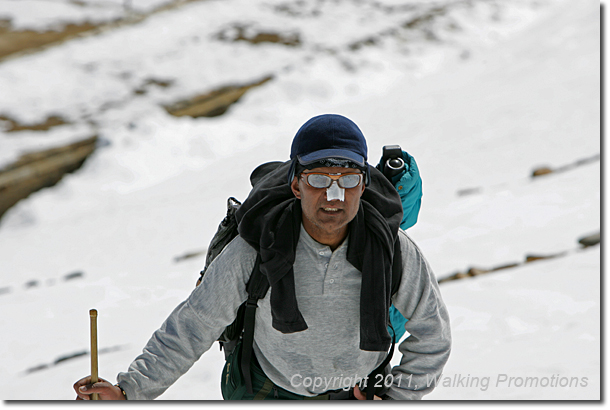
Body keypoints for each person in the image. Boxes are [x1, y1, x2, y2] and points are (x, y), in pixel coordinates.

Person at [73, 114, 451, 400]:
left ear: (364, 184)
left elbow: (432, 336)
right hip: (269, 392)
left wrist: (394, 398)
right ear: (296, 183)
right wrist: (128, 393)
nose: (334, 195)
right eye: (319, 179)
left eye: (347, 180)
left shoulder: (393, 249)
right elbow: (194, 325)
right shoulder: (259, 246)